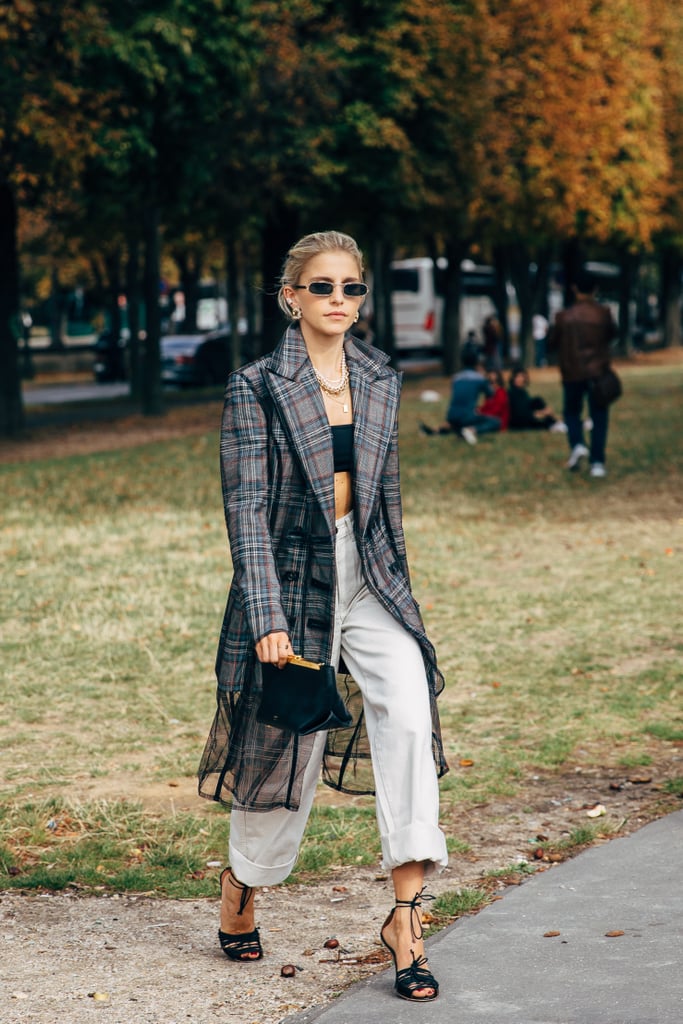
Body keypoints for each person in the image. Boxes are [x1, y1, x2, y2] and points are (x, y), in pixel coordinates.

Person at [198, 231, 448, 1003]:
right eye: (322, 287)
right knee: (287, 751)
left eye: (351, 288)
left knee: (407, 715)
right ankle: (244, 885)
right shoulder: (258, 384)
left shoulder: (378, 376)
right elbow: (245, 509)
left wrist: (399, 594)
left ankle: (404, 917)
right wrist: (266, 613)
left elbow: (386, 500)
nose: (339, 300)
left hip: (367, 576)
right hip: (292, 581)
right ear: (291, 297)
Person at [547, 269, 618, 477]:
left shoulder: (563, 317)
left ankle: (577, 443)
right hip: (598, 372)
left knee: (571, 412)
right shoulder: (603, 314)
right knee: (599, 415)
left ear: (574, 288)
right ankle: (597, 462)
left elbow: (552, 343)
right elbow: (612, 335)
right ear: (595, 289)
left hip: (572, 373)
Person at [419, 341, 501, 444]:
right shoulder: (479, 378)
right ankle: (472, 430)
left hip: (451, 416)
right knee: (496, 422)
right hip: (467, 417)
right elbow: (491, 394)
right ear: (477, 362)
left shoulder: (456, 378)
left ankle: (436, 431)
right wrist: (484, 375)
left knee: (456, 425)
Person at [507, 365, 565, 432]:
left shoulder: (522, 392)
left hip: (527, 416)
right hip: (519, 422)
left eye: (522, 376)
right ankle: (554, 424)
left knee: (537, 400)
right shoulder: (513, 393)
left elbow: (528, 405)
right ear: (513, 378)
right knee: (540, 423)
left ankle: (555, 422)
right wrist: (539, 413)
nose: (520, 379)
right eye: (517, 377)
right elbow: (521, 413)